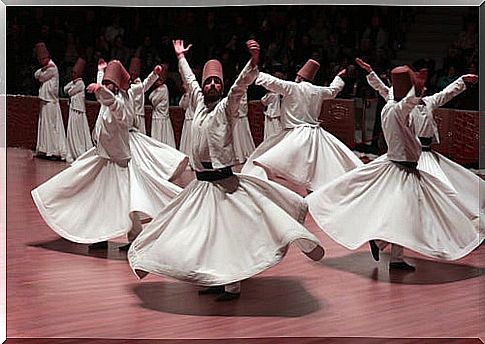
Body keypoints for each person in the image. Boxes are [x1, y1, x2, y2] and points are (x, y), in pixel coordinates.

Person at [128, 39, 324, 301]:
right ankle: (214, 276)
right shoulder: (198, 104)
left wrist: (252, 63)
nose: (211, 85)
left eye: (216, 82)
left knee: (228, 236)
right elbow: (190, 81)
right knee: (205, 234)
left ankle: (232, 285)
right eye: (208, 81)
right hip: (202, 185)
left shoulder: (226, 107)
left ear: (221, 87)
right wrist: (181, 58)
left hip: (224, 185)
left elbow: (239, 87)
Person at [306, 65, 483, 271]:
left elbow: (443, 95)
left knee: (402, 213)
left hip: (406, 167)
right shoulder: (397, 109)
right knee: (403, 212)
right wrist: (413, 87)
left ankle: (390, 252)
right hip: (400, 169)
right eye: (414, 89)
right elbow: (396, 96)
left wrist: (460, 81)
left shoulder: (403, 105)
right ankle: (385, 246)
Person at [31, 60, 182, 248]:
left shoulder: (122, 102)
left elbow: (119, 99)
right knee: (101, 199)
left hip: (119, 163)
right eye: (106, 84)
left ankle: (135, 240)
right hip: (104, 158)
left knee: (129, 204)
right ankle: (103, 237)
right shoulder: (109, 96)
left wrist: (152, 75)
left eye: (111, 84)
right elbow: (104, 92)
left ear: (118, 85)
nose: (106, 87)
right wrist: (100, 73)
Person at [356, 57, 483, 229]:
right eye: (416, 87)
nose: (421, 89)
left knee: (442, 191)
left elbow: (447, 93)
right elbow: (383, 89)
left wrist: (462, 81)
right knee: (418, 194)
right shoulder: (401, 106)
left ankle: (437, 224)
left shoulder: (428, 102)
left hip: (427, 154)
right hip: (413, 156)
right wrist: (371, 73)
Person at [241, 59, 363, 193]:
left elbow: (271, 81)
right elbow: (333, 90)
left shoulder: (293, 87)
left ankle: (287, 190)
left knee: (278, 162)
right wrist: (339, 77)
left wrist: (253, 68)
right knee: (316, 167)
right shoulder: (318, 90)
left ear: (299, 77)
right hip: (315, 134)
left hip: (295, 133)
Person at [33, 42, 68, 160]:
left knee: (52, 125)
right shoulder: (45, 68)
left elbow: (41, 77)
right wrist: (42, 69)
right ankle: (45, 149)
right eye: (40, 59)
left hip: (50, 101)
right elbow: (36, 74)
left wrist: (43, 70)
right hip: (45, 100)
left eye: (43, 59)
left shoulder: (52, 68)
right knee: (45, 124)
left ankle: (53, 150)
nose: (42, 61)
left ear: (47, 58)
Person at [63, 57, 93, 163]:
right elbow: (65, 89)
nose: (73, 74)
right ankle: (71, 150)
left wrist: (71, 86)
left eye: (75, 73)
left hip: (78, 110)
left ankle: (79, 150)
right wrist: (71, 84)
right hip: (73, 109)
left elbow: (70, 92)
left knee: (78, 130)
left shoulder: (80, 84)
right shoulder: (74, 83)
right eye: (73, 72)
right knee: (72, 130)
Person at [149, 67, 176, 147]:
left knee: (161, 138)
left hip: (161, 118)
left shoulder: (163, 88)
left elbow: (153, 100)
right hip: (157, 117)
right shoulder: (157, 89)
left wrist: (153, 93)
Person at [232, 92, 255, 163]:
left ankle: (242, 154)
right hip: (236, 116)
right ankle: (238, 153)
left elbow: (243, 103)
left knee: (244, 135)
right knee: (237, 136)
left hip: (241, 116)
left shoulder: (243, 92)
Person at [260, 71, 284, 140]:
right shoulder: (281, 93)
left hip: (272, 114)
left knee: (272, 131)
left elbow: (263, 101)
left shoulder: (271, 94)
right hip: (279, 114)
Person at [178, 83, 193, 157]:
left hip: (191, 119)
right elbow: (181, 105)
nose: (182, 86)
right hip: (187, 119)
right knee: (186, 139)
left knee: (190, 139)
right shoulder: (186, 95)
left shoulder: (191, 94)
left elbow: (186, 104)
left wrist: (186, 94)